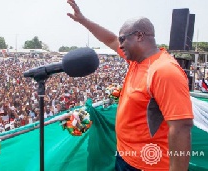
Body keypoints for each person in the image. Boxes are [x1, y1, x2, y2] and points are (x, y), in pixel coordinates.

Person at [66, 0, 194, 171]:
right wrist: (83, 20)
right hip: (125, 156)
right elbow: (110, 39)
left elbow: (181, 127)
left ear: (140, 36)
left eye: (123, 39)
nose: (119, 45)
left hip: (148, 165)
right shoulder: (137, 61)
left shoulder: (164, 71)